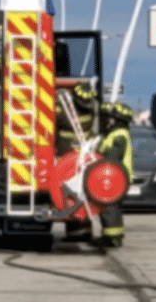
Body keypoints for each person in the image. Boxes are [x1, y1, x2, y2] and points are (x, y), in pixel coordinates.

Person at [57, 82, 97, 242]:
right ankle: (83, 230)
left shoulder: (65, 110)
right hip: (83, 154)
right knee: (82, 191)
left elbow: (57, 122)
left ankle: (75, 231)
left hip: (66, 153)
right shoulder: (91, 109)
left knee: (68, 191)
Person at [94, 101, 134, 249]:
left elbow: (113, 156)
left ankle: (113, 238)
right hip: (113, 177)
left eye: (111, 118)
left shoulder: (119, 135)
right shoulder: (113, 133)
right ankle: (109, 236)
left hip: (117, 178)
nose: (107, 120)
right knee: (107, 207)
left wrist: (102, 154)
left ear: (118, 120)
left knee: (111, 208)